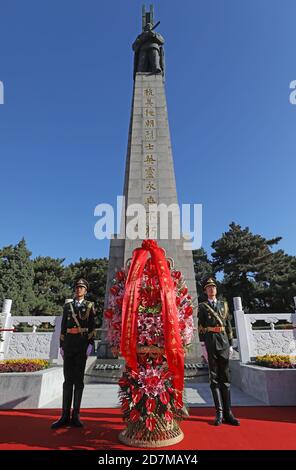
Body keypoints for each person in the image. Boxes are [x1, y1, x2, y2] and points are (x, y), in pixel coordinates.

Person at [51, 279, 96, 429]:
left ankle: (76, 415)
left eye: (82, 288)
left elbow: (92, 327)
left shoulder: (89, 306)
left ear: (85, 291)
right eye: (77, 287)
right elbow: (63, 327)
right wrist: (61, 346)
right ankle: (64, 415)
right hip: (69, 344)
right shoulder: (67, 306)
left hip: (82, 345)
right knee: (67, 380)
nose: (79, 290)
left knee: (79, 381)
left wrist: (91, 345)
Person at [198, 277, 240, 426]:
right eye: (208, 288)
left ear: (216, 289)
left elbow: (228, 325)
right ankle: (219, 413)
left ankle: (229, 413)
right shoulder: (202, 307)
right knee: (214, 379)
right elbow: (201, 327)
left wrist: (230, 344)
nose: (211, 289)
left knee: (226, 378)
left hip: (223, 342)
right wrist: (203, 345)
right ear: (205, 291)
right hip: (210, 342)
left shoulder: (224, 305)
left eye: (213, 287)